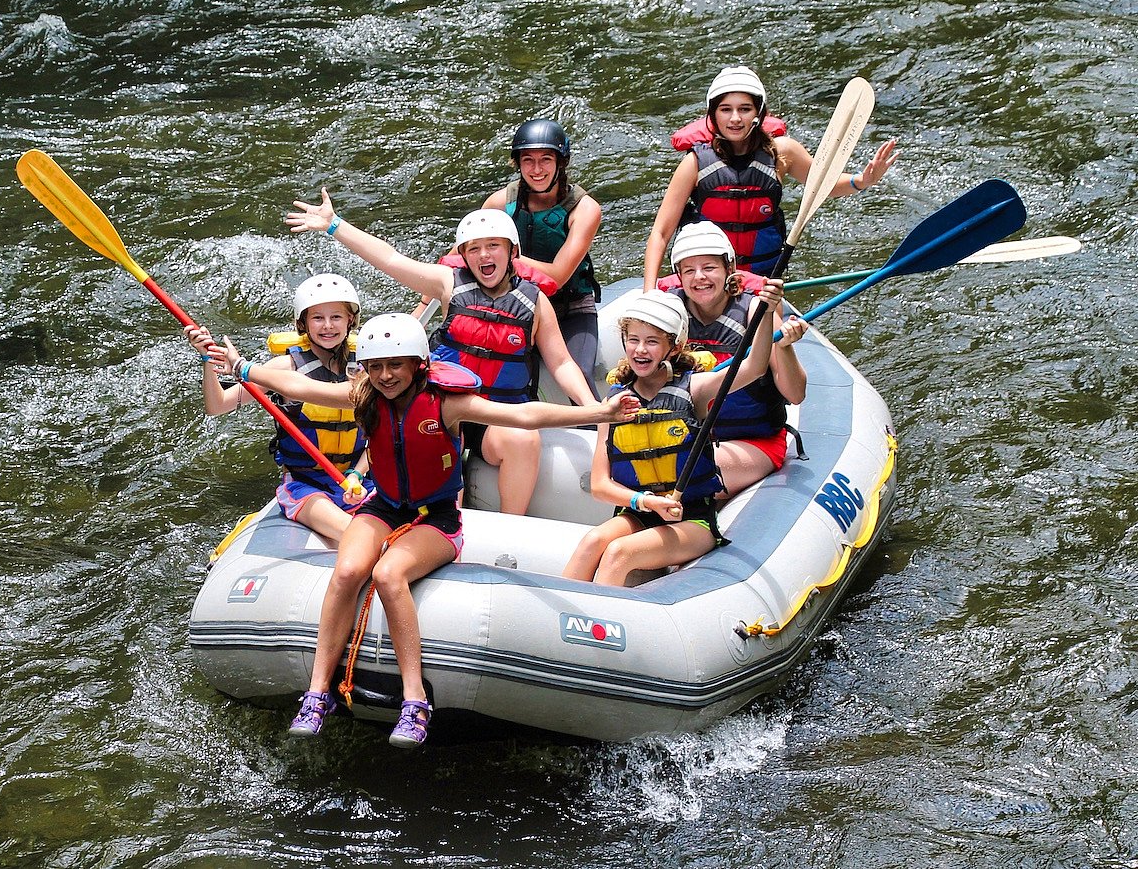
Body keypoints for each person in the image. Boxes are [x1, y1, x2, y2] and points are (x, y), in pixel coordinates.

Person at [210, 312, 639, 746]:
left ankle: (414, 700)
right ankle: (318, 692)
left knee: (388, 573)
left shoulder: (447, 403)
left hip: (436, 518)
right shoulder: (364, 395)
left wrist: (599, 411)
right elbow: (304, 387)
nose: (385, 375)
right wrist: (243, 368)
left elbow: (524, 416)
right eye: (375, 366)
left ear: (418, 363)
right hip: (384, 507)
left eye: (395, 365)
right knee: (346, 572)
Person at [287, 194, 599, 517]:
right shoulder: (448, 283)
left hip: (498, 417)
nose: (484, 255)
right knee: (426, 432)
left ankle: (510, 525)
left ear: (512, 252)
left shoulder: (534, 302)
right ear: (463, 256)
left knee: (524, 439)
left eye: (493, 245)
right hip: (445, 408)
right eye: (474, 248)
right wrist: (334, 225)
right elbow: (391, 260)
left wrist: (594, 409)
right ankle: (432, 523)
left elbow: (561, 363)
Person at [562, 285, 782, 587]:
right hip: (640, 511)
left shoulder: (696, 389)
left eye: (652, 342)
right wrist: (645, 502)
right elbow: (600, 485)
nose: (640, 350)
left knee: (618, 552)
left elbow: (755, 367)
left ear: (674, 347)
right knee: (592, 541)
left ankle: (594, 632)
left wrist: (767, 312)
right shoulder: (614, 404)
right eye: (633, 340)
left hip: (693, 519)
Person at [643, 64, 898, 288]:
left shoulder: (782, 152)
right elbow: (661, 233)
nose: (735, 118)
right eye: (725, 109)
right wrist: (649, 292)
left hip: (761, 282)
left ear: (759, 113)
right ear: (713, 115)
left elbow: (825, 186)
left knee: (771, 326)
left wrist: (862, 181)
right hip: (707, 283)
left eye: (744, 109)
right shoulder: (695, 163)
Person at [184, 274, 369, 544]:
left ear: (351, 320)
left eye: (336, 317)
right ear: (303, 323)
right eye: (317, 318)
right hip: (308, 485)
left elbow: (381, 432)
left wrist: (358, 473)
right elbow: (218, 405)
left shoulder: (367, 366)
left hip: (360, 479)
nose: (327, 326)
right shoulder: (283, 368)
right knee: (353, 534)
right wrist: (206, 360)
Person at [670, 221, 808, 499]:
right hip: (691, 436)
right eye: (689, 270)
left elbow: (795, 394)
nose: (699, 277)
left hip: (754, 440)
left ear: (728, 269)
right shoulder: (670, 313)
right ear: (679, 277)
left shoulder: (755, 310)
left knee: (692, 466)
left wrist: (785, 346)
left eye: (709, 268)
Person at [481, 118, 603, 394]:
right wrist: (422, 306)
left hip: (570, 308)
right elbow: (460, 256)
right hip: (517, 306)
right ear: (518, 164)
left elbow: (558, 276)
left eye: (546, 159)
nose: (537, 170)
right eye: (528, 160)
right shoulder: (499, 204)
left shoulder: (584, 209)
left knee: (580, 373)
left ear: (561, 162)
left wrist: (504, 260)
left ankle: (598, 433)